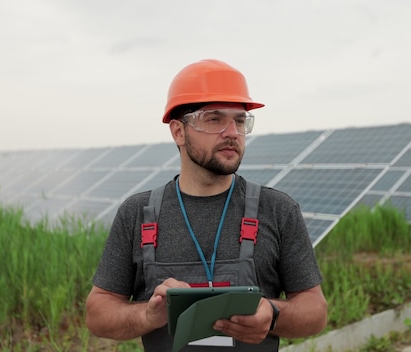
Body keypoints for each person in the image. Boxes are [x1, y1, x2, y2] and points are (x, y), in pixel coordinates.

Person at [85, 59, 328, 351]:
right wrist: (148, 314)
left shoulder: (277, 209)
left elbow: (315, 312)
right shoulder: (138, 214)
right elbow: (98, 314)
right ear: (178, 131)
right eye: (214, 119)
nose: (232, 132)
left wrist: (273, 314)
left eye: (239, 120)